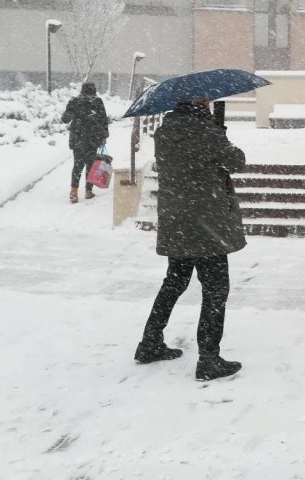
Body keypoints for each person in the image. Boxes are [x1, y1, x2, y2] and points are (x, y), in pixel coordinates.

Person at [134, 97, 248, 381]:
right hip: (206, 224)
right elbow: (237, 161)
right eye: (207, 101)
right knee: (215, 289)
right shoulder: (206, 132)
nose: (210, 104)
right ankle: (209, 359)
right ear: (199, 103)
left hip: (177, 221)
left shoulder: (166, 131)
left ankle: (150, 342)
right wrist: (220, 134)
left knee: (174, 282)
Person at [61, 82, 109, 204]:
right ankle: (80, 192)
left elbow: (103, 120)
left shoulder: (85, 101)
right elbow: (65, 118)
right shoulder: (89, 102)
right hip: (87, 138)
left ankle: (81, 191)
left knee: (84, 165)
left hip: (84, 138)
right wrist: (104, 135)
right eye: (90, 94)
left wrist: (104, 135)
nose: (90, 97)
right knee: (84, 165)